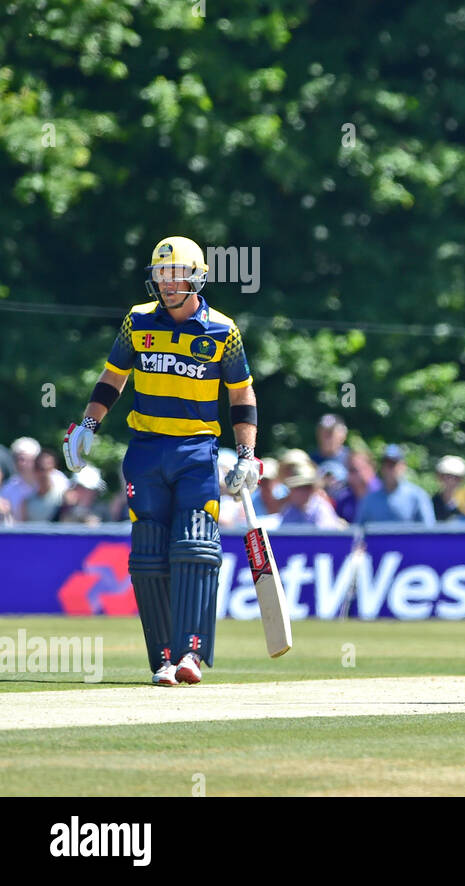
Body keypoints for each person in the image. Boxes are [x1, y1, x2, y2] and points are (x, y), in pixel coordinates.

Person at [60, 235, 261, 686]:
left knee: (194, 547)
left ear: (196, 277)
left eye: (177, 275)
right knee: (148, 556)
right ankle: (164, 660)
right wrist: (87, 425)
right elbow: (113, 377)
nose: (168, 284)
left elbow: (241, 394)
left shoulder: (222, 331)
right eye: (162, 275)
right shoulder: (137, 322)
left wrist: (247, 454)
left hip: (195, 451)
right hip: (146, 450)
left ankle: (191, 653)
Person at [357, 445, 436, 525]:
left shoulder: (417, 496)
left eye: (393, 464)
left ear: (403, 466)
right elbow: (359, 531)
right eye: (387, 465)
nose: (391, 470)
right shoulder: (370, 500)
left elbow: (428, 530)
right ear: (382, 468)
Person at [277, 458, 347, 528]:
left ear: (312, 489)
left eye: (306, 487)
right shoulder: (290, 509)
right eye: (297, 488)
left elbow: (324, 537)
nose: (302, 492)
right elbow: (284, 533)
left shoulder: (321, 509)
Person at [1, 437, 45, 519]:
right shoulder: (9, 487)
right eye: (17, 459)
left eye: (23, 459)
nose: (20, 463)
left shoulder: (56, 479)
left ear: (36, 459)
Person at [334, 449, 380, 524]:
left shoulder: (384, 494)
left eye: (353, 470)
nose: (349, 475)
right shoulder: (343, 499)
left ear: (370, 468)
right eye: (348, 470)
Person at [20, 450, 67, 522]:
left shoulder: (64, 497)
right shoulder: (27, 502)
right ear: (34, 471)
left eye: (48, 468)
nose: (44, 473)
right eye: (40, 468)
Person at [310, 414, 350, 480]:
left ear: (343, 435)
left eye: (331, 433)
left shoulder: (352, 460)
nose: (327, 437)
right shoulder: (310, 461)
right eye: (323, 432)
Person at [433, 455, 465, 521]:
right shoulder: (430, 503)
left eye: (457, 477)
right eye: (447, 476)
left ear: (463, 479)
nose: (451, 481)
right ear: (438, 477)